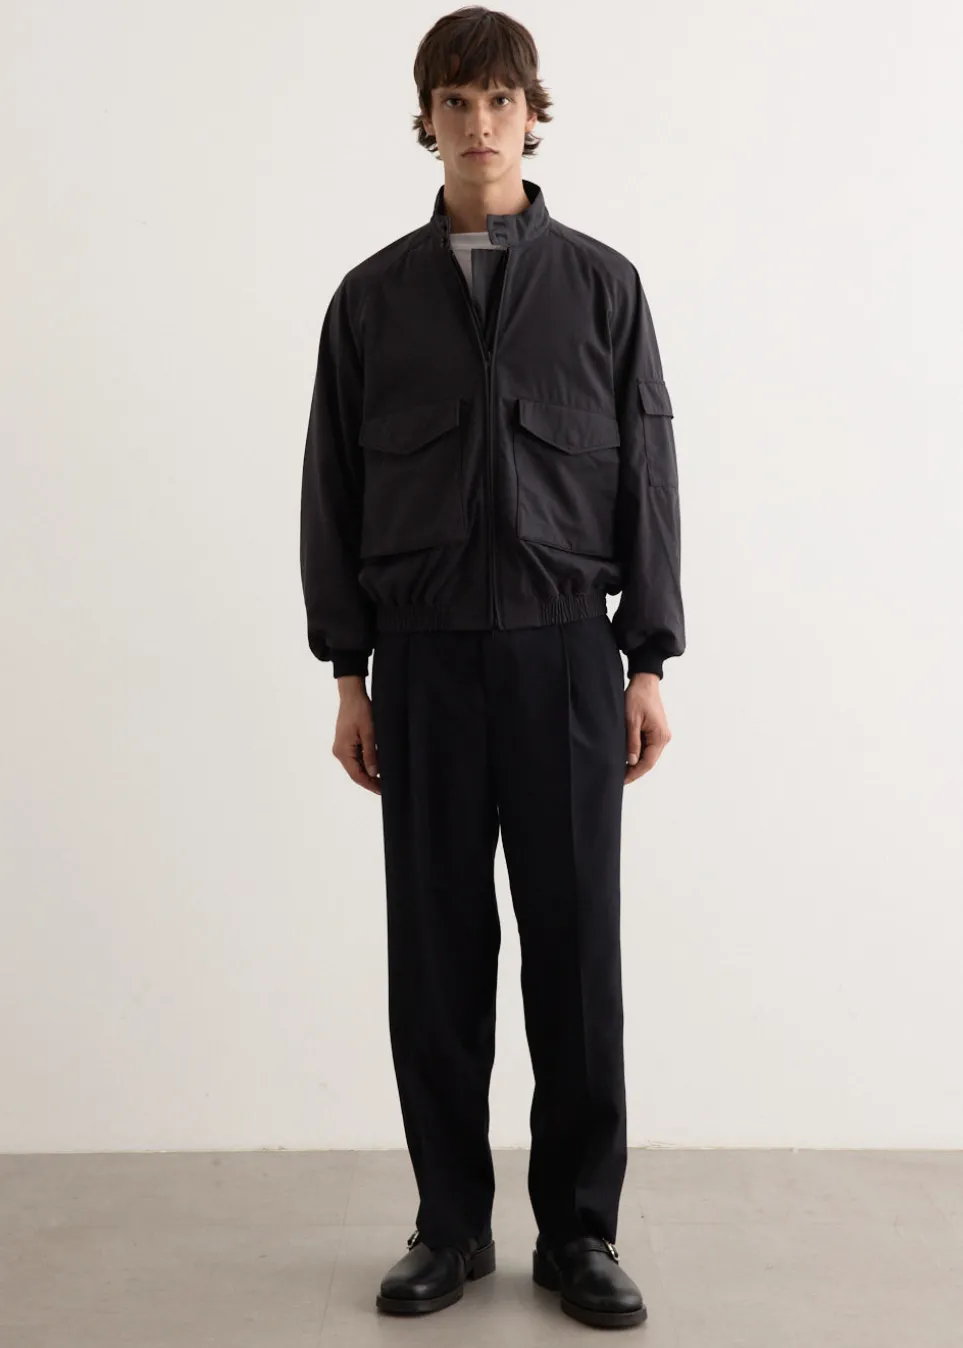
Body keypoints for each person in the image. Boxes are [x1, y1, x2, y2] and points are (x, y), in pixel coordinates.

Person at [299, 5, 684, 1331]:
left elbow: (647, 475)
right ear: (427, 120)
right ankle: (449, 1226)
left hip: (566, 655)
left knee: (574, 953)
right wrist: (347, 673)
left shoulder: (603, 288)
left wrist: (646, 660)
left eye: (499, 101)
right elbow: (333, 489)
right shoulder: (371, 301)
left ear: (533, 113)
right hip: (420, 665)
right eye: (454, 102)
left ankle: (579, 1235)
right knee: (437, 953)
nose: (479, 124)